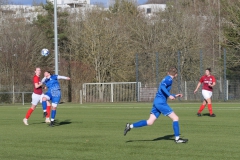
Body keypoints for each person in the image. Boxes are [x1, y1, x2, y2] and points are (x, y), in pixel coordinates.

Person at [123, 67, 188, 143]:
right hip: (161, 103)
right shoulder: (169, 79)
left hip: (157, 102)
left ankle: (129, 126)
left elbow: (163, 91)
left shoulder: (166, 78)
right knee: (175, 118)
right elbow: (162, 87)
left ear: (168, 72)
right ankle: (177, 139)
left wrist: (174, 95)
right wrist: (170, 95)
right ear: (176, 75)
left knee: (150, 122)